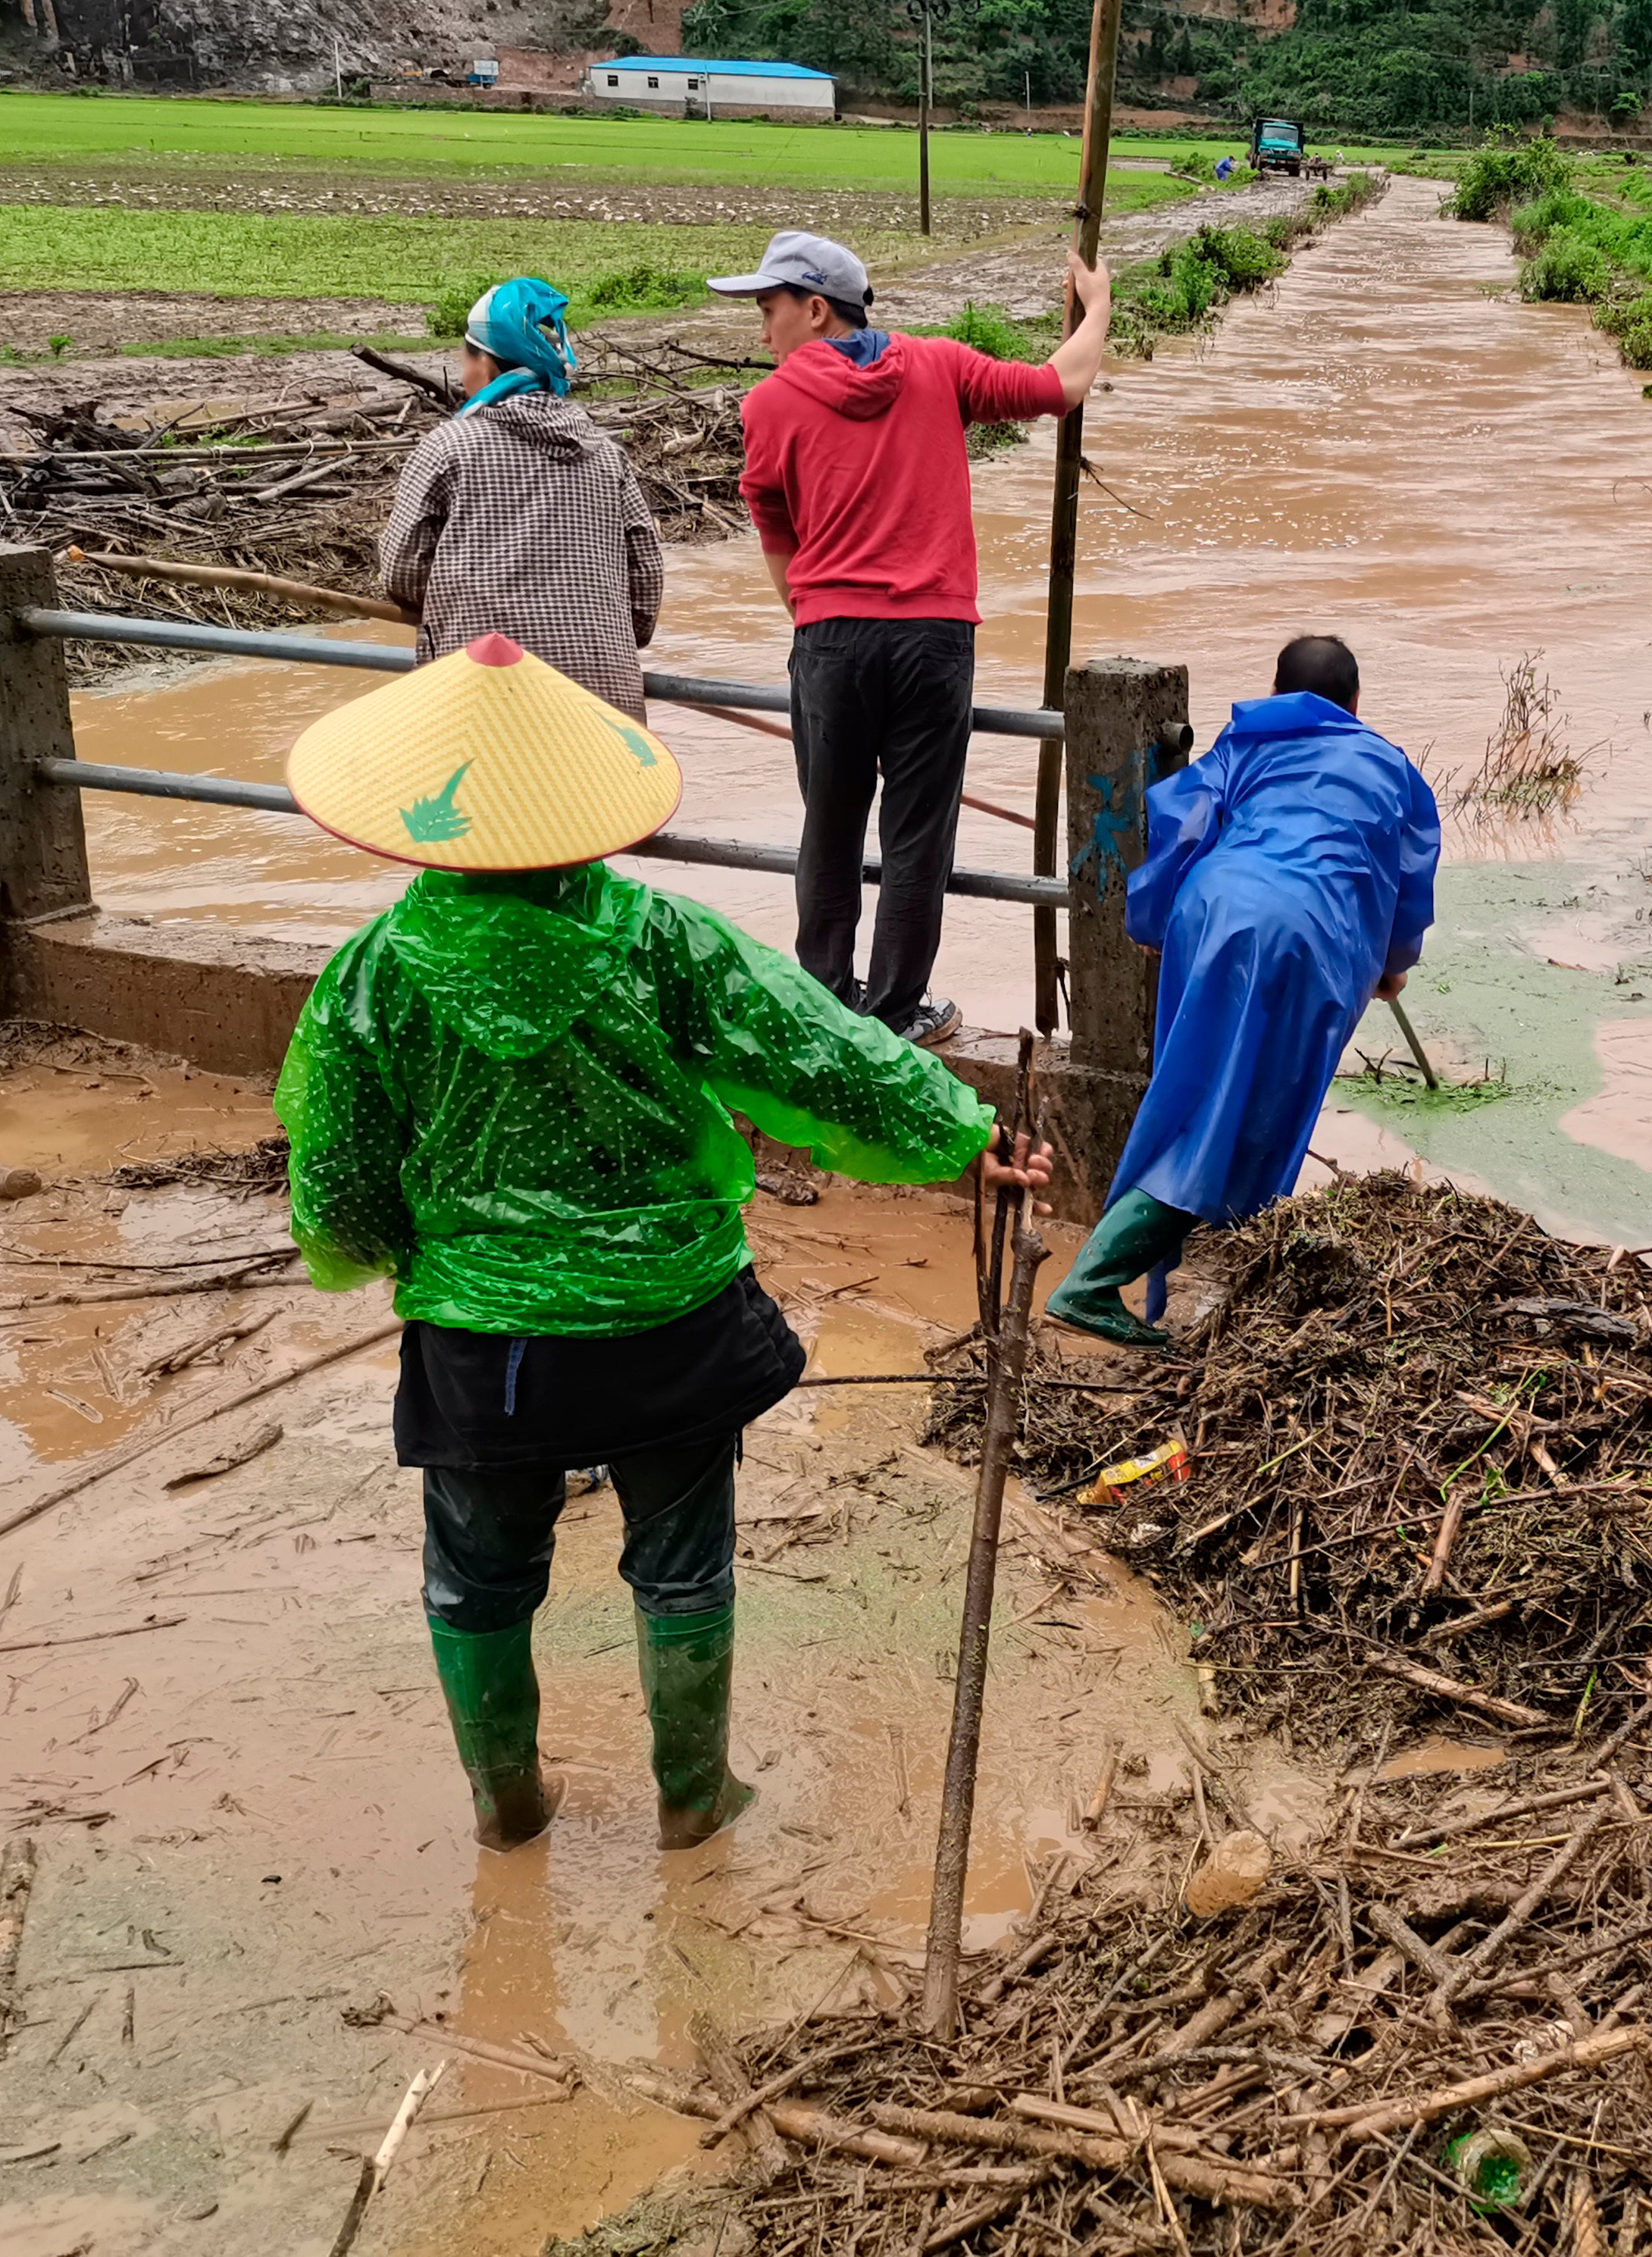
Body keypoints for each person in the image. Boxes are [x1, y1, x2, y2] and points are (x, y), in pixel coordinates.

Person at [272, 633, 1040, 1852]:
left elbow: (341, 1184)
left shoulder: (372, 976)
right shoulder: (661, 940)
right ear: (584, 812)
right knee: (682, 1561)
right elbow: (824, 1050)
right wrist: (965, 1134)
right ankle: (693, 1797)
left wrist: (411, 1259)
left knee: (476, 1576)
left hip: (483, 1342)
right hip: (665, 1323)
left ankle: (504, 1800)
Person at [730, 230, 1114, 1048]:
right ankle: (899, 1012)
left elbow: (775, 536)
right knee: (916, 836)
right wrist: (1098, 306)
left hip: (832, 636)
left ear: (815, 308)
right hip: (933, 640)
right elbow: (1060, 385)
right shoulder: (938, 366)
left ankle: (827, 1004)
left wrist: (811, 621)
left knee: (828, 829)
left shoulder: (765, 407)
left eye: (768, 309)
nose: (761, 331)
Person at [1043, 634, 1442, 1346]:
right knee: (1232, 1115)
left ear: (1279, 690)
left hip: (1212, 909)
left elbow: (1181, 820)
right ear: (1356, 703)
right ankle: (1092, 1284)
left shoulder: (1245, 742)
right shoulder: (1390, 767)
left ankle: (1192, 1260)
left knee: (1198, 1091)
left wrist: (1153, 916)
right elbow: (1408, 881)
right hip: (1305, 932)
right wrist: (1394, 964)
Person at [377, 277, 664, 722]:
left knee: (488, 790)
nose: (463, 367)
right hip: (603, 700)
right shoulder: (608, 456)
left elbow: (403, 571)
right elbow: (645, 583)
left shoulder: (448, 448)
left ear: (489, 366)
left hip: (482, 695)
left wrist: (450, 610)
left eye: (467, 354)